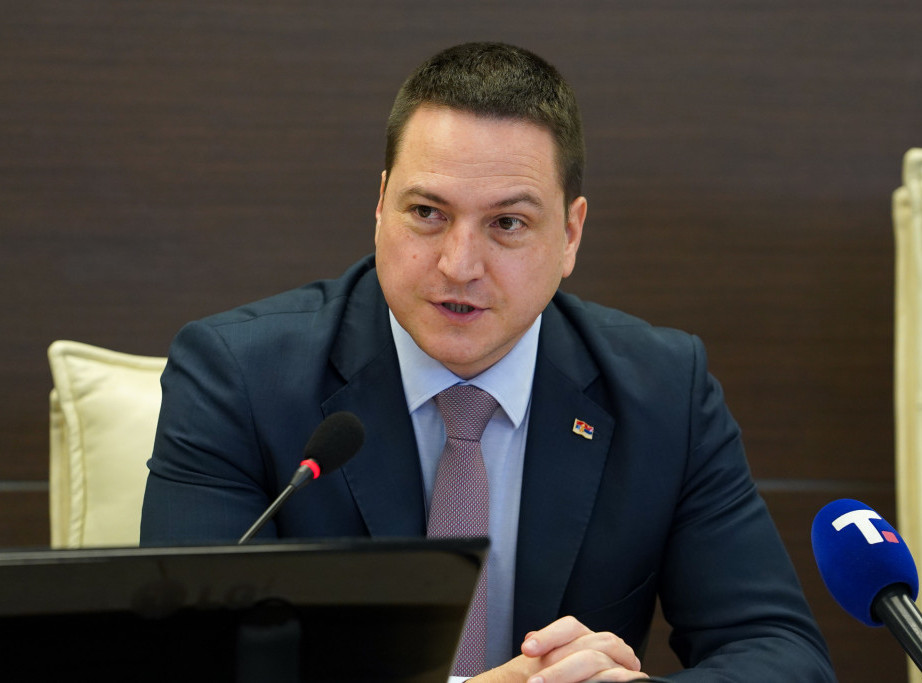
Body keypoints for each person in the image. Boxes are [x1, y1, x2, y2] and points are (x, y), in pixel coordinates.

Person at [141, 42, 836, 682]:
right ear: (380, 206)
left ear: (570, 235)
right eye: (427, 212)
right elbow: (187, 660)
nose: (459, 264)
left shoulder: (663, 392)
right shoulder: (239, 378)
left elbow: (781, 651)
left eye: (507, 223)